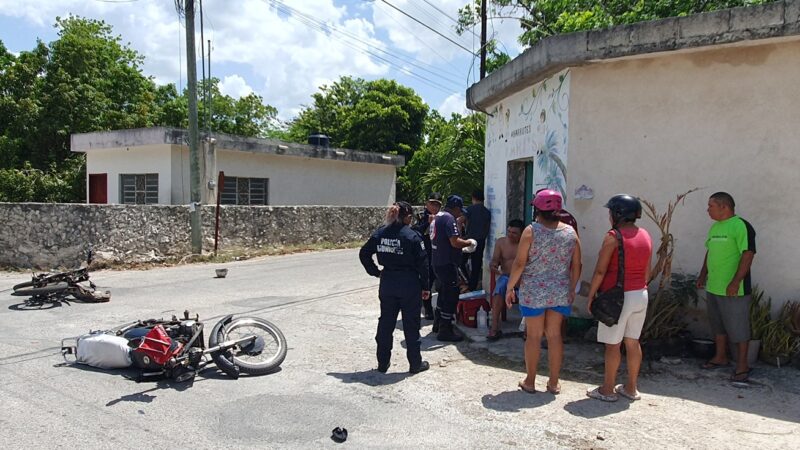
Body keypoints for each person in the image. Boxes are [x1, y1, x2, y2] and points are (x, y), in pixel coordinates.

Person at [506, 190, 581, 394]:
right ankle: (554, 382)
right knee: (555, 335)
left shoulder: (531, 231)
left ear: (537, 209)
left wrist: (510, 287)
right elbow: (576, 264)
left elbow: (520, 262)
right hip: (559, 290)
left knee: (534, 336)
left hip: (533, 291)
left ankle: (530, 381)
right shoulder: (570, 232)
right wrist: (572, 288)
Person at [586, 194, 652, 402]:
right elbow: (647, 270)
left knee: (612, 345)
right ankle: (631, 388)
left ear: (617, 214)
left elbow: (600, 271)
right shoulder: (645, 235)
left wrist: (591, 297)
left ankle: (607, 389)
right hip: (640, 293)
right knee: (633, 342)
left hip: (617, 297)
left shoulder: (613, 237)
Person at [359, 201, 430, 374]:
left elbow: (364, 253)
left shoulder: (380, 233)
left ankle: (383, 364)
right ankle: (415, 364)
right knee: (411, 325)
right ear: (406, 217)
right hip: (409, 284)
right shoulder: (411, 236)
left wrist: (376, 272)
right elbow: (423, 264)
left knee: (386, 323)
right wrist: (425, 286)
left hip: (388, 282)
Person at [696, 192, 756, 383]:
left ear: (724, 207)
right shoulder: (714, 227)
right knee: (718, 325)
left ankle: (742, 365)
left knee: (738, 328)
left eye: (710, 206)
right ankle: (720, 356)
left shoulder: (741, 226)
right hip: (714, 286)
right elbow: (710, 251)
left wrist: (736, 281)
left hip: (734, 289)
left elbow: (748, 254)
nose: (708, 210)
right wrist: (703, 274)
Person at [430, 195, 477, 342]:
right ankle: (445, 329)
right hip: (446, 263)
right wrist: (469, 242)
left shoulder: (438, 216)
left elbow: (442, 240)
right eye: (459, 211)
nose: (460, 214)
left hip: (437, 260)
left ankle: (437, 323)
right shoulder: (449, 219)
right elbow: (455, 242)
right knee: (451, 294)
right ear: (456, 208)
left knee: (443, 291)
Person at [486, 219, 524, 341]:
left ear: (521, 234)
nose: (510, 235)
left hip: (523, 278)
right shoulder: (501, 242)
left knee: (528, 293)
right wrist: (494, 267)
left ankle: (528, 329)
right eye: (509, 231)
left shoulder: (527, 244)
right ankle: (495, 327)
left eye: (514, 233)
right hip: (506, 276)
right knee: (499, 289)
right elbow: (494, 261)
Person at [412, 192, 443, 320]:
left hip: (439, 254)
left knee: (441, 283)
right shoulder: (420, 216)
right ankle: (428, 309)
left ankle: (441, 311)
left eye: (437, 204)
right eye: (432, 204)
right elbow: (414, 232)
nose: (434, 207)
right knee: (427, 283)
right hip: (425, 254)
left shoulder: (443, 217)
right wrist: (427, 224)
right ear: (427, 204)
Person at [459, 190, 491, 291]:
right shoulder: (487, 212)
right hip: (481, 241)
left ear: (473, 198)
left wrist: (459, 234)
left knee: (460, 262)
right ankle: (472, 287)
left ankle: (466, 281)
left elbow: (460, 220)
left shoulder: (469, 209)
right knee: (476, 265)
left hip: (468, 240)